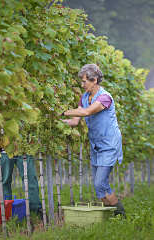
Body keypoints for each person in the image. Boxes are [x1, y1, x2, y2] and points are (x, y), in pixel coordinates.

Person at [62, 64, 125, 216]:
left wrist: (63, 112)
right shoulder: (84, 98)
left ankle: (121, 214)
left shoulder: (105, 98)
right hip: (96, 145)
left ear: (94, 80)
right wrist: (57, 123)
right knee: (98, 188)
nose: (82, 85)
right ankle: (109, 216)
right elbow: (75, 121)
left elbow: (87, 112)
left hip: (109, 145)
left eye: (84, 81)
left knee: (100, 183)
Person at [0, 130, 42, 217]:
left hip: (23, 148)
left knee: (31, 179)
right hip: (3, 150)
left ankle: (35, 211)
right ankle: (6, 213)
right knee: (4, 182)